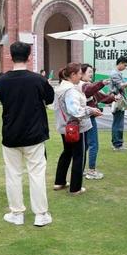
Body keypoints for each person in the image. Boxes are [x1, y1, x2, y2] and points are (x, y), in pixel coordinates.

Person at [0, 41, 55, 226]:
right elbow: (50, 97)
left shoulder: (2, 80)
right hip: (34, 133)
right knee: (36, 173)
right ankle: (40, 214)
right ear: (29, 56)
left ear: (10, 56)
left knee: (13, 174)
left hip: (11, 133)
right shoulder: (37, 79)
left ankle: (17, 213)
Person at [54, 63, 102, 195]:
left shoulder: (60, 88)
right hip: (76, 128)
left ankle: (60, 181)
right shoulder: (70, 90)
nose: (81, 76)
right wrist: (91, 110)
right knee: (78, 156)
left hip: (65, 127)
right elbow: (75, 110)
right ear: (73, 75)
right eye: (80, 73)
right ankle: (75, 188)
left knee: (67, 153)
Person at [80, 64, 114, 180]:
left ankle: (82, 169)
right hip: (87, 118)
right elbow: (89, 91)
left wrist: (114, 98)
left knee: (84, 145)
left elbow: (100, 96)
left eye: (92, 72)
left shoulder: (86, 85)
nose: (91, 74)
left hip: (84, 118)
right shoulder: (84, 86)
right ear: (82, 73)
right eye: (89, 72)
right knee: (93, 144)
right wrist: (102, 83)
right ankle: (91, 170)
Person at [109, 56, 127, 151]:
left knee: (117, 122)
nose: (125, 67)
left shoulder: (116, 73)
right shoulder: (115, 74)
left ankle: (117, 143)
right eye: (124, 65)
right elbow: (121, 86)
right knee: (118, 123)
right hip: (118, 100)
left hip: (119, 99)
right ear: (120, 63)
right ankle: (118, 144)